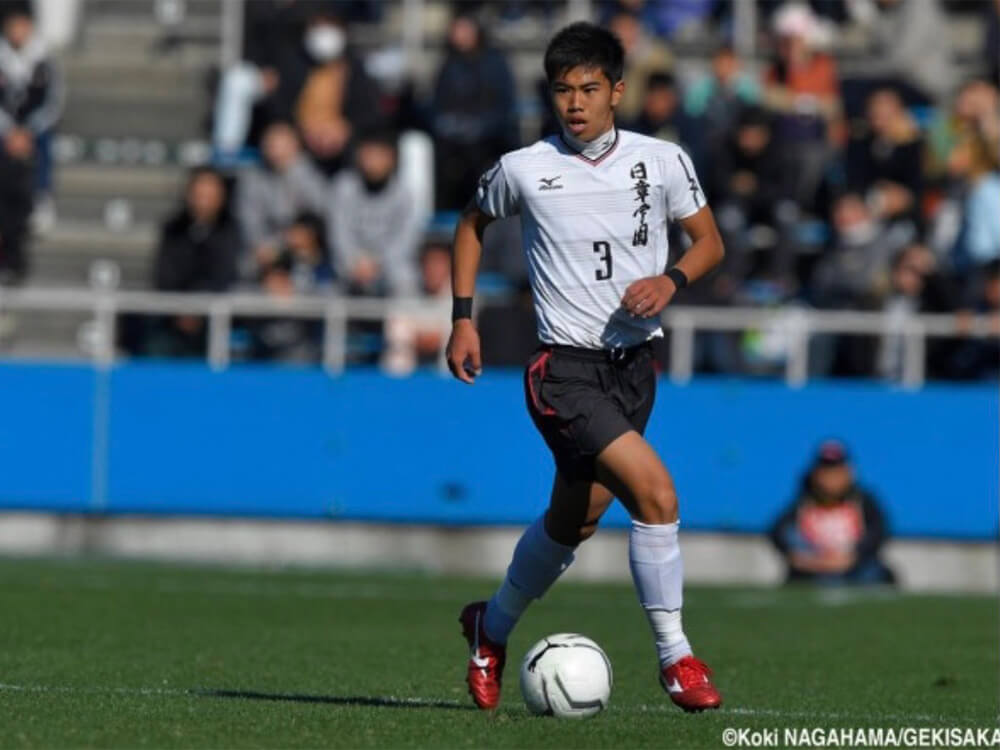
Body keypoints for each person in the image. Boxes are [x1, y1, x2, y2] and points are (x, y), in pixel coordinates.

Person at [445, 22, 725, 713]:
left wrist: (671, 281)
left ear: (617, 91)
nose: (575, 103)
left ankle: (491, 626)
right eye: (563, 90)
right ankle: (676, 658)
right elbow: (470, 224)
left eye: (589, 89)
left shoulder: (662, 161)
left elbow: (709, 242)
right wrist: (462, 318)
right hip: (562, 372)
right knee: (656, 494)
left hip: (634, 370)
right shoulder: (524, 167)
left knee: (575, 520)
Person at [769, 440, 896, 585]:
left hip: (854, 569)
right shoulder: (803, 503)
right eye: (826, 472)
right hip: (813, 568)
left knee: (875, 575)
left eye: (836, 472)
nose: (831, 478)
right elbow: (779, 532)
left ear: (848, 472)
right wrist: (801, 557)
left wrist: (854, 556)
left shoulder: (862, 501)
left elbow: (878, 532)